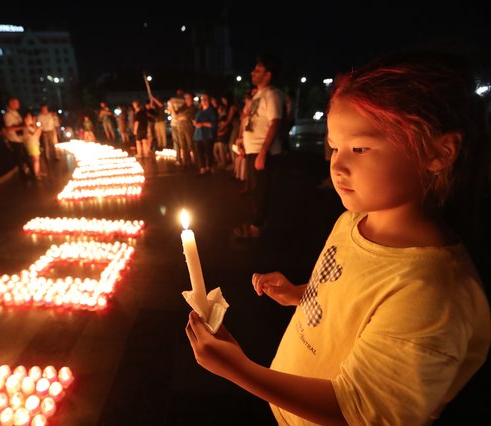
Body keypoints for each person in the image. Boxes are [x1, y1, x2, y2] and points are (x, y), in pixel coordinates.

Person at [185, 50, 491, 425]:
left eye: (359, 148)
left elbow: (360, 410)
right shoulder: (353, 221)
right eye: (334, 147)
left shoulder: (432, 292)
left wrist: (240, 370)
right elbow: (354, 293)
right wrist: (302, 293)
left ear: (439, 152)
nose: (337, 164)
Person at [234, 54, 287, 239]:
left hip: (263, 152)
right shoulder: (257, 95)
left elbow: (275, 122)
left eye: (258, 70)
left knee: (261, 191)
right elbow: (250, 121)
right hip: (252, 149)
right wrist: (242, 142)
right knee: (255, 191)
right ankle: (260, 222)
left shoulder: (272, 95)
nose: (252, 72)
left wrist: (263, 152)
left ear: (268, 75)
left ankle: (256, 227)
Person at [3, 97, 33, 179]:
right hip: (14, 139)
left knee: (24, 156)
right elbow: (9, 128)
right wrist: (22, 127)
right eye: (16, 103)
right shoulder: (8, 115)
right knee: (20, 157)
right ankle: (24, 175)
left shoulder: (16, 113)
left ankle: (30, 173)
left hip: (19, 138)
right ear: (11, 104)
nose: (18, 104)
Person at [22, 112, 42, 180]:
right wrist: (39, 128)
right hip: (31, 145)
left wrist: (39, 128)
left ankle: (37, 172)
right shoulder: (27, 127)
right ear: (25, 119)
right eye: (29, 117)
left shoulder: (31, 127)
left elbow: (37, 135)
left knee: (36, 159)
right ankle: (36, 174)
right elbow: (34, 133)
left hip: (35, 144)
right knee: (35, 160)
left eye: (31, 117)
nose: (31, 119)